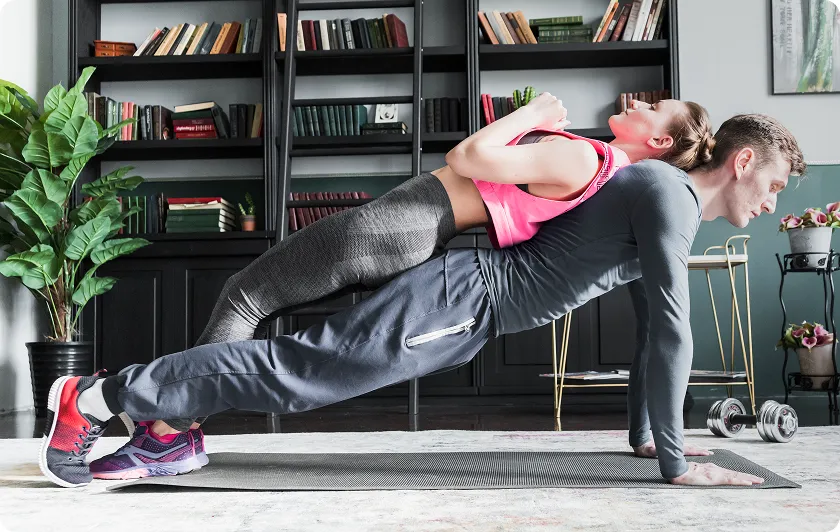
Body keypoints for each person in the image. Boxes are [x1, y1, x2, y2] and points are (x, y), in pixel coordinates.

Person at [39, 112, 804, 488]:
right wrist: (675, 462)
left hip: (471, 311)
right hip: (465, 295)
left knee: (301, 370)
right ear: (741, 162)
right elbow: (673, 328)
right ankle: (100, 396)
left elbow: (648, 330)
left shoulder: (662, 198)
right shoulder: (665, 191)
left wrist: (646, 437)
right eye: (772, 187)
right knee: (301, 372)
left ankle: (139, 414)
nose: (770, 205)